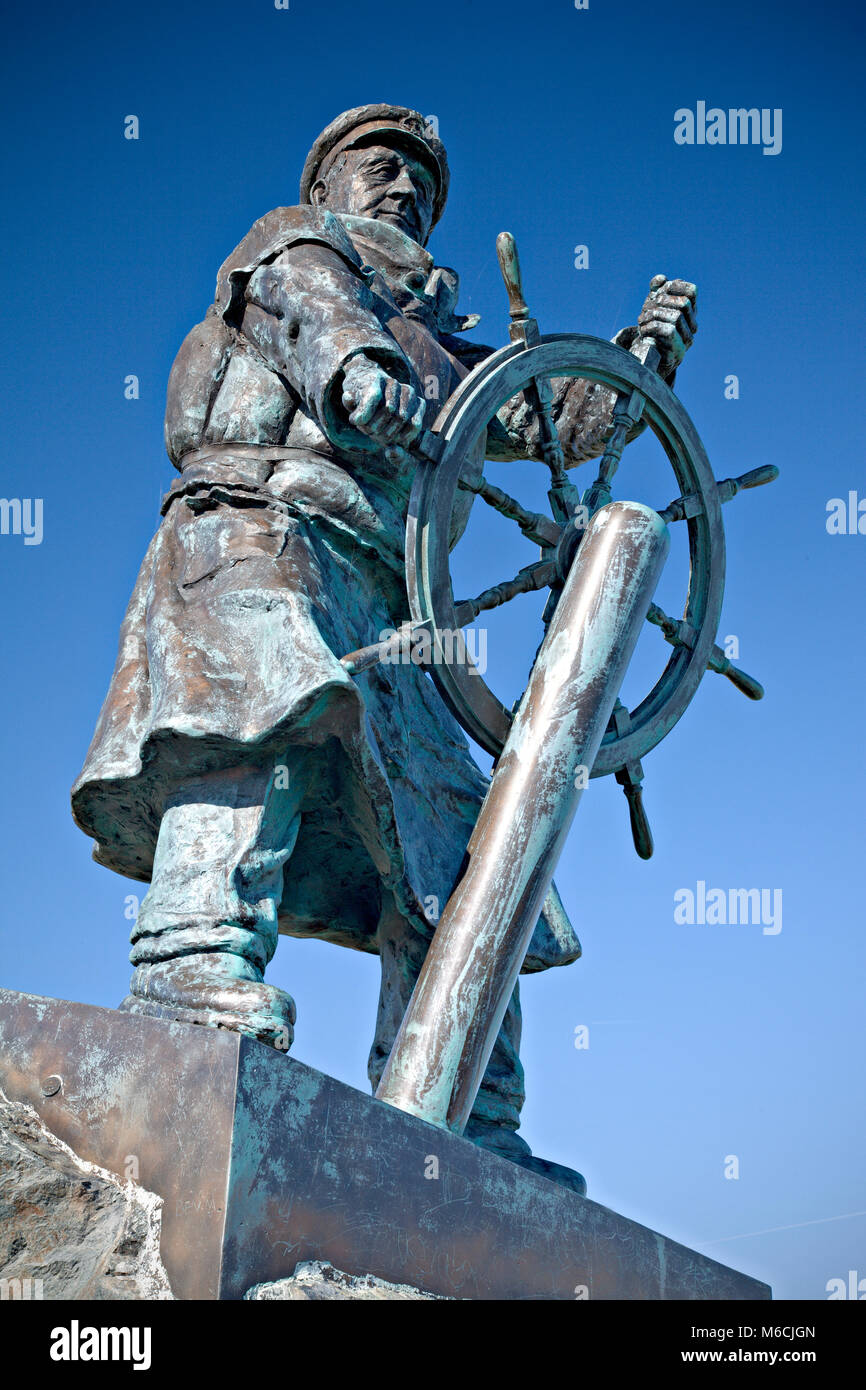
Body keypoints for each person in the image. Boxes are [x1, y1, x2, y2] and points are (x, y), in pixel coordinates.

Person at [72, 104, 697, 1192]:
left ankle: (465, 1115)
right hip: (261, 537)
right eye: (379, 164)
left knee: (463, 849)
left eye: (419, 174)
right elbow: (325, 331)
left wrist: (642, 359)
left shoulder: (438, 347)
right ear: (328, 182)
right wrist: (361, 376)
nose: (401, 185)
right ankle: (187, 980)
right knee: (252, 727)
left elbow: (540, 416)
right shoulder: (288, 251)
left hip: (391, 597)